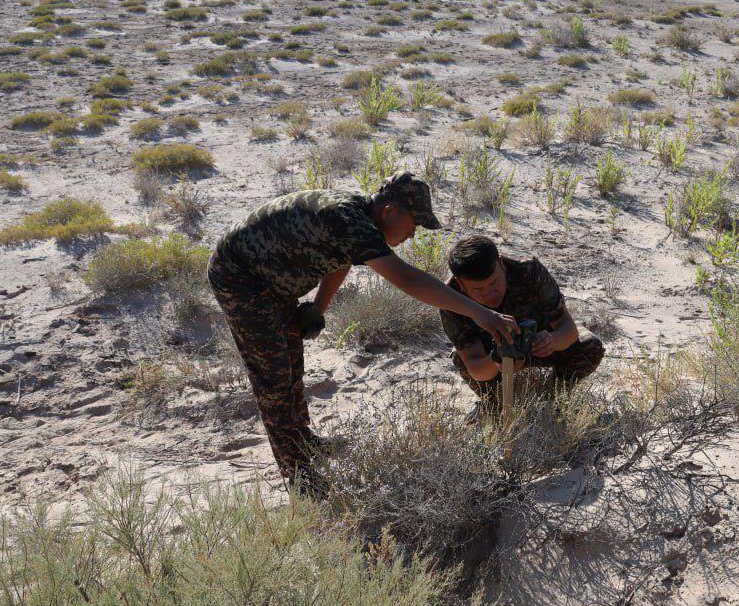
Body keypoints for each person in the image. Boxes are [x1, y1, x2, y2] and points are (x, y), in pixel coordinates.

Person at [208, 173, 517, 493]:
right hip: (240, 278)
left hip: (270, 281)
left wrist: (317, 308)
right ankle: (298, 473)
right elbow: (409, 280)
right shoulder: (351, 220)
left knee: (290, 362)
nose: (412, 234)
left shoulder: (357, 217)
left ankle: (303, 441)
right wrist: (480, 313)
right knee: (273, 377)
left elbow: (340, 259)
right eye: (414, 223)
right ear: (389, 211)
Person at [439, 235, 604, 412]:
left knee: (590, 346)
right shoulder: (451, 299)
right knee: (460, 358)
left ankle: (552, 399)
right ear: (460, 284)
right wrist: (498, 361)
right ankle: (494, 405)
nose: (490, 293)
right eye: (478, 289)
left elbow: (569, 330)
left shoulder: (529, 270)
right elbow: (476, 367)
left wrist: (552, 341)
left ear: (501, 264)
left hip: (539, 345)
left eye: (495, 282)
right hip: (493, 356)